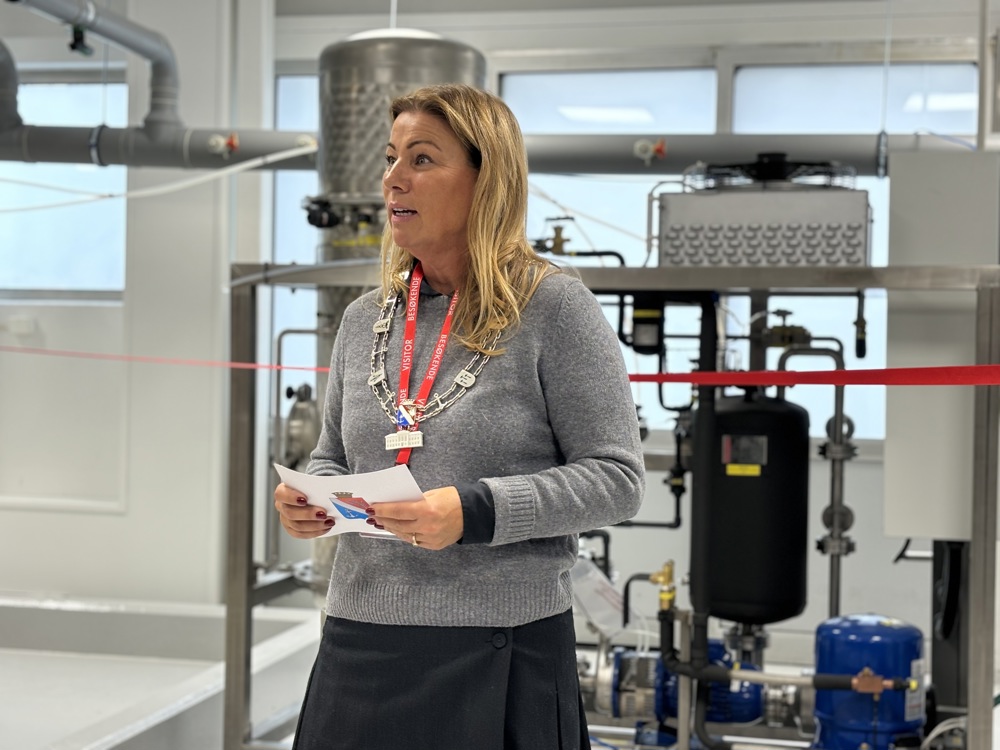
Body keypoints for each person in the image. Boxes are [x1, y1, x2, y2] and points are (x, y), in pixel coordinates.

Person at [273, 82, 645, 750]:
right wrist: (314, 494)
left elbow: (616, 478)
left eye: (421, 159)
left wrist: (475, 512)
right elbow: (333, 453)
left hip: (499, 652)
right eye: (390, 158)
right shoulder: (364, 321)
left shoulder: (556, 310)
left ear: (486, 179)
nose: (392, 179)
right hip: (361, 642)